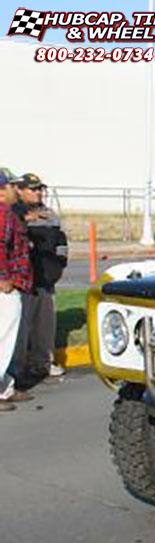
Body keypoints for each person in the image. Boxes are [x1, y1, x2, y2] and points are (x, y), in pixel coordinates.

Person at [15, 173, 67, 382]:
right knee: (20, 326)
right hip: (23, 280)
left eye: (39, 189)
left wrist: (59, 265)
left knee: (45, 326)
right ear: (20, 190)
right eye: (32, 189)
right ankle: (16, 368)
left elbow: (61, 241)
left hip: (46, 280)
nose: (37, 193)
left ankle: (42, 363)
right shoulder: (15, 213)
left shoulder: (50, 214)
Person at [0, 168, 34, 409]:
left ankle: (6, 387)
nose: (16, 190)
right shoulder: (2, 214)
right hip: (5, 286)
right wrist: (3, 278)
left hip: (12, 282)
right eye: (12, 186)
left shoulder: (9, 213)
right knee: (3, 337)